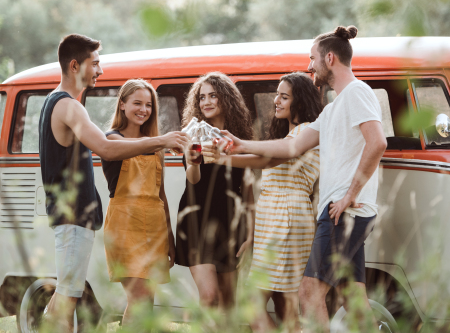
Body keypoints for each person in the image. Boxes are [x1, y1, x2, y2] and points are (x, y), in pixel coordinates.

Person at [222, 26, 387, 332]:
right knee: (353, 295)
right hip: (345, 211)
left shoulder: (356, 92)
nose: (309, 65)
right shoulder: (333, 109)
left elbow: (377, 142)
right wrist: (241, 144)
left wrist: (350, 194)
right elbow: (291, 146)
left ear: (329, 57)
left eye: (312, 58)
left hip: (343, 211)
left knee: (310, 293)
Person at [38, 34, 188, 332]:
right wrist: (162, 139)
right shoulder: (69, 106)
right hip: (73, 214)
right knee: (68, 295)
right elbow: (106, 148)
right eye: (95, 64)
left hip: (73, 215)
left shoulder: (56, 103)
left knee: (65, 291)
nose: (100, 71)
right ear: (74, 65)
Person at [209, 72, 323, 333]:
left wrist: (234, 148)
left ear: (301, 101)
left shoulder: (306, 131)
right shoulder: (295, 133)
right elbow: (264, 161)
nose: (276, 101)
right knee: (285, 304)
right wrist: (219, 159)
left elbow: (271, 160)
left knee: (253, 303)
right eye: (277, 95)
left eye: (284, 97)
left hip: (284, 215)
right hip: (283, 215)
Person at [175, 71, 255, 310]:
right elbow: (193, 180)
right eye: (202, 97)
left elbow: (248, 192)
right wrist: (193, 162)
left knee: (229, 302)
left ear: (227, 99)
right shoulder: (193, 135)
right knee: (210, 298)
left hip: (231, 221)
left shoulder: (241, 140)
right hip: (196, 220)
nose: (206, 102)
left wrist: (251, 235)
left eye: (213, 96)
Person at [101, 79, 175, 329]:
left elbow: (161, 194)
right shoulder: (112, 138)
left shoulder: (155, 144)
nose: (143, 110)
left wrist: (170, 238)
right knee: (139, 298)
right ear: (122, 105)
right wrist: (162, 140)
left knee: (148, 300)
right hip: (125, 225)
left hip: (154, 228)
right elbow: (118, 148)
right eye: (137, 103)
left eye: (148, 105)